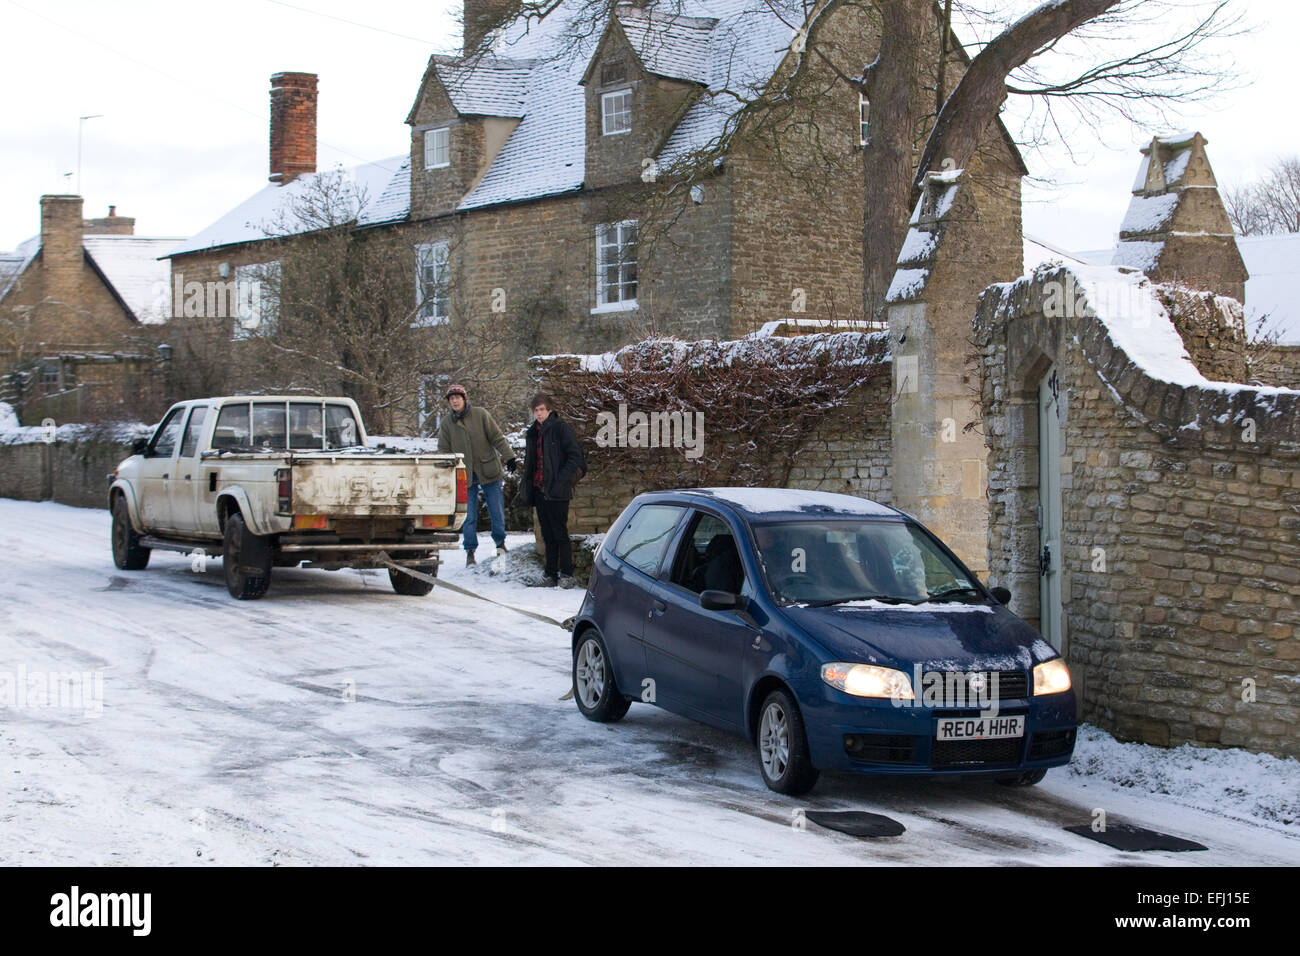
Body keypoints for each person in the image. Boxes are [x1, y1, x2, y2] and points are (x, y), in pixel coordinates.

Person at [436, 384, 518, 565]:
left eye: (458, 397)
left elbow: (497, 437)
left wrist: (510, 457)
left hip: (488, 470)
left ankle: (500, 544)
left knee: (496, 510)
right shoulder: (447, 423)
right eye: (451, 399)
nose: (455, 401)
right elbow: (443, 449)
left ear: (464, 399)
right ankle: (470, 551)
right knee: (469, 516)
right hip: (464, 475)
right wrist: (445, 469)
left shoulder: (481, 415)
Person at [516, 393, 585, 588]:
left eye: (542, 410)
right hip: (539, 490)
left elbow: (575, 457)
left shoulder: (561, 429)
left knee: (560, 533)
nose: (539, 414)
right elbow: (531, 463)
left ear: (550, 410)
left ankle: (567, 574)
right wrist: (527, 487)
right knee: (547, 534)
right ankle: (550, 574)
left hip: (558, 490)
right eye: (536, 410)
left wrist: (560, 481)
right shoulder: (532, 433)